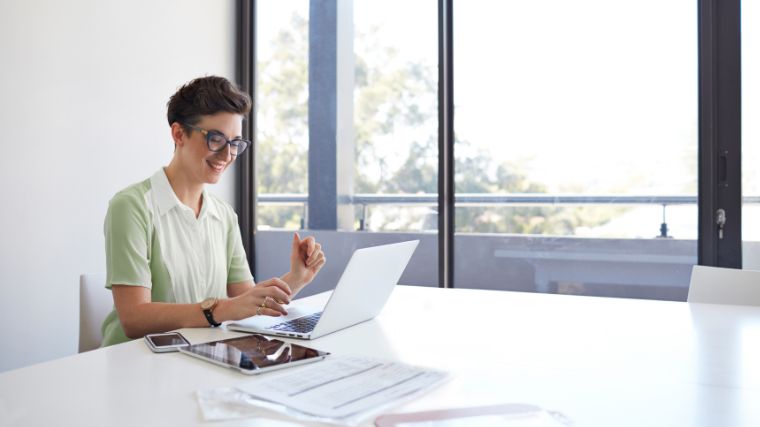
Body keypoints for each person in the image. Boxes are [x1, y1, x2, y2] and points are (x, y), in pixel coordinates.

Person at [100, 76, 326, 346]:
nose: (227, 155)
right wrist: (219, 309)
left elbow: (246, 302)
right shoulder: (132, 207)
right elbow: (134, 318)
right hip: (135, 363)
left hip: (199, 356)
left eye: (235, 143)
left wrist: (296, 278)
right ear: (179, 134)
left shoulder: (224, 216)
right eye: (216, 139)